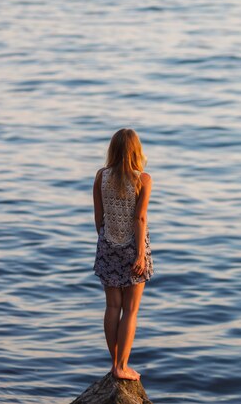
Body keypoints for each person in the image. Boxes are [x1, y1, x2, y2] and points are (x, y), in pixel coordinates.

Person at [92, 128, 154, 381]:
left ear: (113, 149)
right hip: (133, 246)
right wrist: (140, 254)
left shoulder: (100, 176)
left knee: (112, 306)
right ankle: (122, 366)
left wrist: (107, 239)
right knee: (130, 310)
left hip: (107, 243)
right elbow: (139, 218)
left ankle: (114, 365)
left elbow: (98, 216)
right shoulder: (143, 179)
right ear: (136, 150)